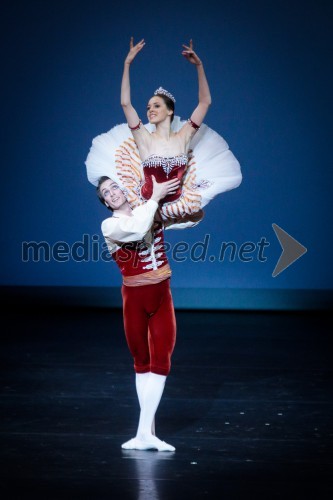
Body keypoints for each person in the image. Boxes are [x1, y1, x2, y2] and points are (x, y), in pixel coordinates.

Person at [85, 38, 242, 224]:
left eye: (156, 106)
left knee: (192, 218)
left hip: (176, 203)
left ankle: (168, 223)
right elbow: (125, 104)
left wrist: (199, 66)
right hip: (145, 202)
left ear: (170, 111)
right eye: (148, 107)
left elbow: (205, 102)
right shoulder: (144, 138)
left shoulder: (184, 136)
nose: (150, 110)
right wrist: (127, 64)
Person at [97, 173, 200, 452]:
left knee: (162, 359)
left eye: (114, 187)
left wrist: (189, 200)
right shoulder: (110, 225)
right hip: (135, 298)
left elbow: (192, 217)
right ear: (106, 203)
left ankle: (144, 434)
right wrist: (154, 199)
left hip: (161, 294)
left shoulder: (148, 209)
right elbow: (138, 228)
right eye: (106, 193)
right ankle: (146, 433)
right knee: (142, 361)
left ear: (123, 190)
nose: (112, 193)